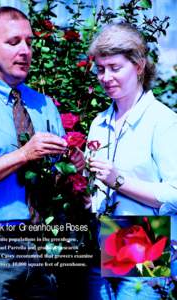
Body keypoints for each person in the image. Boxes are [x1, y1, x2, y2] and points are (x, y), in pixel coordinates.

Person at [0, 6, 84, 300]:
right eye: (13, 42)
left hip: (42, 251)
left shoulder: (44, 105)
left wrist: (72, 170)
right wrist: (23, 155)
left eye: (30, 43)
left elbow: (54, 184)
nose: (25, 51)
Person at [84, 22, 177, 300]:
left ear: (138, 67)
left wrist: (119, 180)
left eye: (114, 67)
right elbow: (96, 192)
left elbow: (174, 194)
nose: (105, 77)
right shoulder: (99, 123)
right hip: (100, 239)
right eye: (100, 69)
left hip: (146, 238)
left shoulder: (163, 122)